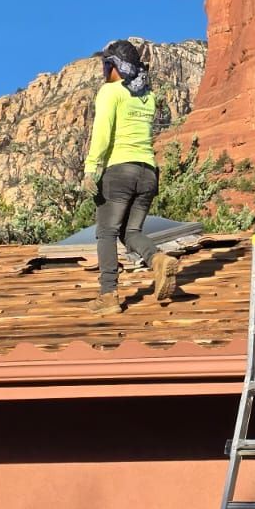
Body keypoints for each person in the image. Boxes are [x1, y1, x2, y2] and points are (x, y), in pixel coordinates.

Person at [85, 39, 179, 314]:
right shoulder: (146, 96)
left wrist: (92, 167)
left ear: (114, 66)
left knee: (106, 232)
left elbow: (102, 132)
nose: (104, 70)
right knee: (132, 231)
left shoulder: (110, 92)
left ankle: (109, 295)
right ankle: (158, 259)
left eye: (106, 65)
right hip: (148, 173)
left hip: (119, 172)